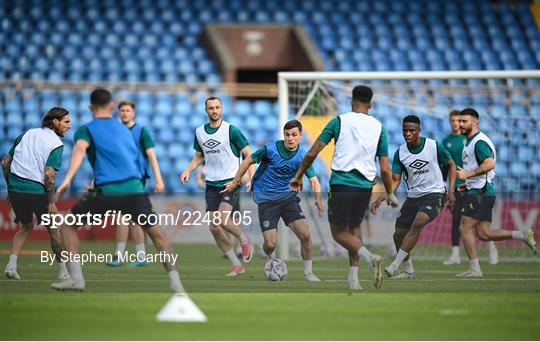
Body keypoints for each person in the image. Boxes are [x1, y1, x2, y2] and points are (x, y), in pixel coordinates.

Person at [52, 88, 184, 292]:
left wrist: (67, 179)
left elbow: (79, 151)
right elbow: (134, 160)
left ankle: (77, 279)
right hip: (135, 190)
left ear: (90, 108)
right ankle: (177, 285)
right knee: (158, 236)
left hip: (107, 191)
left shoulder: (86, 129)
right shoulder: (126, 130)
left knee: (68, 226)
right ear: (113, 106)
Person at [290, 85, 398, 290]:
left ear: (351, 101)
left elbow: (313, 152)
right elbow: (384, 167)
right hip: (365, 186)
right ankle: (354, 279)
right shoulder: (379, 127)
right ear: (371, 104)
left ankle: (368, 257)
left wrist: (298, 175)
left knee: (338, 233)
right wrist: (390, 192)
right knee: (354, 229)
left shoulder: (339, 121)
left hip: (342, 183)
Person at [222, 119, 323, 281]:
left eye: (294, 135)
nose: (290, 138)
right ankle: (267, 253)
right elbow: (248, 160)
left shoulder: (303, 156)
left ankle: (308, 273)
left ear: (300, 136)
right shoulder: (270, 150)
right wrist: (236, 181)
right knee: (270, 244)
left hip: (288, 197)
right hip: (266, 199)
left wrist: (318, 199)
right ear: (283, 135)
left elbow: (314, 181)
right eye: (287, 135)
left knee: (305, 235)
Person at [371, 115, 456, 279]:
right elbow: (395, 180)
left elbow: (451, 165)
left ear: (419, 131)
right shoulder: (400, 153)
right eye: (405, 131)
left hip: (435, 193)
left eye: (411, 130)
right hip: (413, 197)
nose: (407, 134)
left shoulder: (434, 146)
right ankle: (409, 271)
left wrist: (451, 190)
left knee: (419, 222)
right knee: (398, 235)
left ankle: (394, 265)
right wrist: (382, 197)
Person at [455, 108, 536, 277]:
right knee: (484, 234)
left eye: (464, 121)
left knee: (463, 227)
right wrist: (467, 183)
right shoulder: (471, 141)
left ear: (475, 122)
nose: (460, 124)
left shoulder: (479, 142)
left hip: (480, 193)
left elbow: (489, 164)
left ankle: (475, 269)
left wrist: (467, 175)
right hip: (480, 190)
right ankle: (522, 234)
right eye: (459, 121)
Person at [180, 96, 253, 276]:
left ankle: (244, 239)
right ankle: (236, 264)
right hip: (211, 184)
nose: (214, 111)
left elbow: (248, 155)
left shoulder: (231, 130)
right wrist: (187, 170)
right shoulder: (200, 132)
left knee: (221, 219)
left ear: (222, 109)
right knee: (214, 227)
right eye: (211, 108)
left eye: (217, 107)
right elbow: (199, 157)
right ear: (206, 110)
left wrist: (251, 178)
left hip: (231, 182)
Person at [2, 107, 72, 281]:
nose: (69, 126)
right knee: (54, 229)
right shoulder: (56, 144)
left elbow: (5, 163)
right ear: (55, 122)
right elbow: (49, 174)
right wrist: (50, 202)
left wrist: (11, 187)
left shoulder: (26, 134)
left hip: (15, 189)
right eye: (66, 122)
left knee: (26, 227)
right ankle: (63, 273)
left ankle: (11, 266)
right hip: (37, 191)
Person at [106, 100, 165, 267]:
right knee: (131, 217)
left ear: (133, 113)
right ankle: (139, 256)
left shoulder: (141, 131)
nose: (125, 113)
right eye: (122, 110)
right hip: (119, 178)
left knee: (125, 216)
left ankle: (121, 255)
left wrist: (158, 179)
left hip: (137, 178)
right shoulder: (115, 132)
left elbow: (152, 156)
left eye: (127, 110)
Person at [441, 110, 499, 265]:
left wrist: (469, 174)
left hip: (475, 187)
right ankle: (456, 255)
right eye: (453, 121)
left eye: (459, 120)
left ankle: (490, 249)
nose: (456, 123)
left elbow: (486, 162)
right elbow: (446, 167)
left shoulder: (471, 139)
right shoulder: (446, 141)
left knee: (475, 225)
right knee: (458, 221)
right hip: (458, 188)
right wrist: (447, 188)